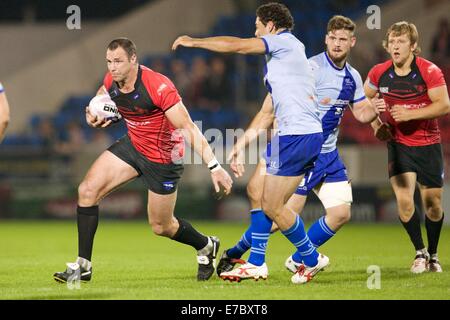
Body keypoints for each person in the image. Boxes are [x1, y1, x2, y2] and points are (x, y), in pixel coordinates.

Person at [216, 15, 384, 279]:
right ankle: (245, 253)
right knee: (278, 212)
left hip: (328, 154)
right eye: (333, 38)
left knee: (340, 213)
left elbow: (362, 111)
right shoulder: (309, 68)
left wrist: (376, 111)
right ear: (326, 39)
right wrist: (257, 141)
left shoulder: (352, 76)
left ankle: (298, 259)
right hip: (302, 147)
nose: (337, 44)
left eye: (343, 39)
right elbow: (270, 108)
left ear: (352, 42)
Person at [54, 38, 233, 283]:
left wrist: (215, 167)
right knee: (87, 190)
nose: (112, 67)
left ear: (133, 60)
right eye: (108, 61)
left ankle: (205, 245)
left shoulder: (158, 86)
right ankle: (83, 267)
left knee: (162, 226)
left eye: (118, 61)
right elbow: (101, 96)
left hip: (163, 157)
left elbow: (189, 128)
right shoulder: (111, 80)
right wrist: (93, 113)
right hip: (134, 145)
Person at [173, 2, 328, 284]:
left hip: (297, 135)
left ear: (270, 25)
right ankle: (256, 261)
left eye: (257, 25)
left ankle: (310, 258)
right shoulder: (284, 66)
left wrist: (194, 41)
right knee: (257, 190)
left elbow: (239, 46)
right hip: (290, 137)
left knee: (273, 206)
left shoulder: (284, 44)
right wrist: (240, 145)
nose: (254, 30)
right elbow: (267, 113)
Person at [365, 21, 450, 273]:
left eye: (400, 41)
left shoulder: (429, 71)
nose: (395, 46)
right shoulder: (378, 73)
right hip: (398, 145)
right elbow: (362, 100)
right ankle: (419, 253)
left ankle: (434, 255)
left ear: (413, 46)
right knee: (404, 201)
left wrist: (411, 114)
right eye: (391, 42)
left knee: (433, 205)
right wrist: (375, 123)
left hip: (428, 145)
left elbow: (444, 105)